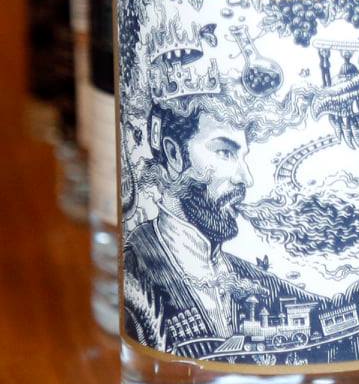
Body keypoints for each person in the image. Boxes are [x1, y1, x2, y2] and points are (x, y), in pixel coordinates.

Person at [122, 90, 320, 360]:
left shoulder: (248, 276)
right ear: (174, 154)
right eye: (225, 152)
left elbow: (323, 311)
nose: (245, 179)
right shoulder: (134, 264)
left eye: (242, 156)